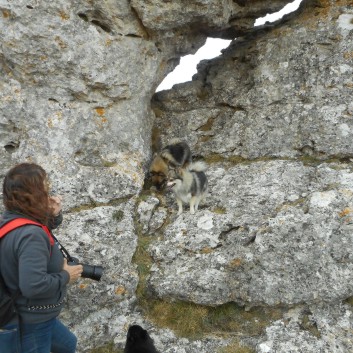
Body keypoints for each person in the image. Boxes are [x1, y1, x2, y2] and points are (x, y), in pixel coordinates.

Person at [0, 163, 83, 353]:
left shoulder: (10, 220)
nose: (48, 192)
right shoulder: (31, 235)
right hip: (32, 321)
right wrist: (66, 276)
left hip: (34, 315)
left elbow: (28, 243)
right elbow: (33, 286)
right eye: (45, 188)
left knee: (67, 344)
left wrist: (53, 216)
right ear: (34, 194)